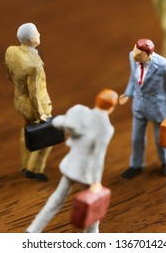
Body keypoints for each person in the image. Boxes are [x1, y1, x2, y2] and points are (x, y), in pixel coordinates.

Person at [26, 89, 118, 233]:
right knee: (92, 205)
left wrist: (52, 119)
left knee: (56, 199)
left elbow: (59, 122)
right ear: (111, 107)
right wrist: (96, 182)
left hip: (71, 166)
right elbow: (98, 157)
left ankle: (33, 230)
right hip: (86, 173)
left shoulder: (81, 112)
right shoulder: (106, 128)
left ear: (97, 101)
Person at [120, 39, 166, 179]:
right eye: (134, 50)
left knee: (161, 138)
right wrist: (128, 93)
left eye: (137, 53)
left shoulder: (164, 65)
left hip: (158, 107)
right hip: (139, 105)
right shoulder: (132, 57)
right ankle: (136, 164)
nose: (133, 54)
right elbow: (132, 78)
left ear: (147, 55)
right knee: (136, 138)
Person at [5, 23, 53, 181]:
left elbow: (8, 73)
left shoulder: (11, 51)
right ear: (31, 39)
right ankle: (34, 169)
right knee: (46, 137)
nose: (39, 34)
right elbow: (34, 94)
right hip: (36, 107)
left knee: (25, 132)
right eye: (36, 33)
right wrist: (41, 115)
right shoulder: (35, 66)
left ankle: (25, 164)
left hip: (19, 101)